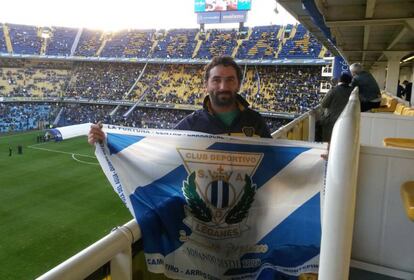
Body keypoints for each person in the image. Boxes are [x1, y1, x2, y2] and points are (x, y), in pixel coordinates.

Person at [88, 56, 271, 145]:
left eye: (230, 80)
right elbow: (157, 150)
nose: (223, 86)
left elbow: (277, 162)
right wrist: (108, 140)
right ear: (206, 85)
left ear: (238, 84)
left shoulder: (255, 122)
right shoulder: (191, 124)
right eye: (216, 80)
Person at [319, 73, 353, 142]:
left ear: (340, 80)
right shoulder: (352, 91)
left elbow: (324, 104)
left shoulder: (334, 90)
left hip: (332, 121)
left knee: (329, 140)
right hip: (348, 120)